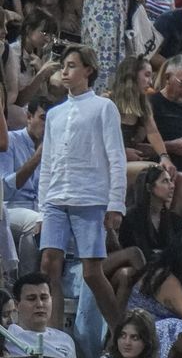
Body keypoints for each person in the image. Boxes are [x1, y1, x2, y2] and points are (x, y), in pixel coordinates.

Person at [37, 44, 125, 330]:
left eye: (72, 65)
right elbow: (48, 162)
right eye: (63, 66)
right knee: (49, 265)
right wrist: (42, 206)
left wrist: (115, 203)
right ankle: (53, 336)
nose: (65, 71)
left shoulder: (104, 107)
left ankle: (119, 332)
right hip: (56, 198)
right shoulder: (55, 114)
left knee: (91, 272)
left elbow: (116, 157)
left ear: (89, 70)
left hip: (90, 198)